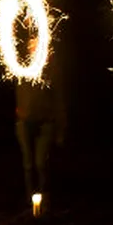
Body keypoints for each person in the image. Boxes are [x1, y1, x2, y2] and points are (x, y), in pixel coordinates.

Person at [15, 36, 67, 208]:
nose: (32, 47)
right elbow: (18, 90)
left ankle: (45, 197)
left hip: (45, 122)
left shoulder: (52, 68)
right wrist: (19, 109)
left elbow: (59, 99)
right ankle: (30, 200)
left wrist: (60, 130)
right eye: (30, 44)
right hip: (24, 122)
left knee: (40, 163)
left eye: (37, 44)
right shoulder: (22, 67)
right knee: (28, 164)